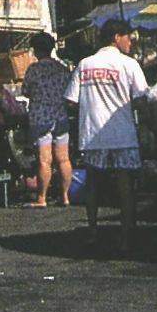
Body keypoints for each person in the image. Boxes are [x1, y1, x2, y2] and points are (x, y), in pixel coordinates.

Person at [64, 19, 150, 255]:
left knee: (93, 182)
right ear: (116, 37)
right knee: (125, 185)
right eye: (128, 37)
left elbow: (70, 101)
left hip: (93, 134)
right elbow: (141, 100)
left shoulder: (84, 64)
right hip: (123, 134)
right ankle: (126, 237)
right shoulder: (129, 64)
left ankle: (92, 232)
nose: (131, 42)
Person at [21, 32, 74, 207]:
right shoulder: (62, 68)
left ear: (36, 50)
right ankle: (65, 196)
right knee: (64, 159)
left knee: (45, 161)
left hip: (40, 118)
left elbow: (26, 91)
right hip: (60, 116)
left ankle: (42, 198)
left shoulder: (33, 70)